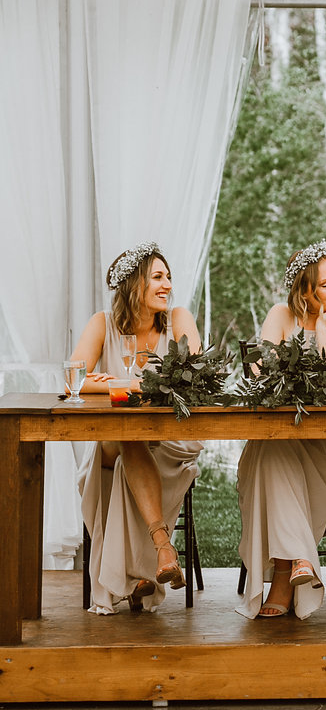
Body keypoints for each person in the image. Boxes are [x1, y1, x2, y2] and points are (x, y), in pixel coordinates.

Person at [236, 242, 326, 619]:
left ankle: (282, 580)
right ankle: (298, 562)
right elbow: (264, 381)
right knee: (274, 451)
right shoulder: (280, 315)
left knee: (272, 454)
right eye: (325, 285)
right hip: (286, 435)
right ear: (303, 290)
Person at [72, 244, 203, 614]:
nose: (168, 286)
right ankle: (161, 547)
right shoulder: (103, 324)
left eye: (169, 277)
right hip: (121, 440)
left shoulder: (178, 318)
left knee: (126, 449)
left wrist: (114, 382)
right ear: (134, 285)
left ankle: (137, 576)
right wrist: (128, 385)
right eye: (158, 277)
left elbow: (192, 379)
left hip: (174, 441)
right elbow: (74, 381)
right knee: (129, 436)